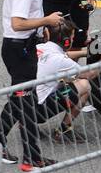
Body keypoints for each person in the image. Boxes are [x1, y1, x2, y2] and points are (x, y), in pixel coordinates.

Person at [0, 0, 61, 171]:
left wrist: (41, 29)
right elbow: (18, 23)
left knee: (20, 99)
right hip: (18, 49)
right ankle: (31, 157)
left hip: (24, 46)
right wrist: (46, 21)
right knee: (26, 102)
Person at [34, 18, 93, 146]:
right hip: (39, 111)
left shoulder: (40, 47)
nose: (72, 40)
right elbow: (90, 75)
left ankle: (26, 125)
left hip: (24, 104)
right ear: (66, 42)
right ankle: (63, 131)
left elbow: (63, 56)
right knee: (84, 85)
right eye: (72, 38)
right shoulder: (62, 61)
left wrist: (85, 53)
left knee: (66, 80)